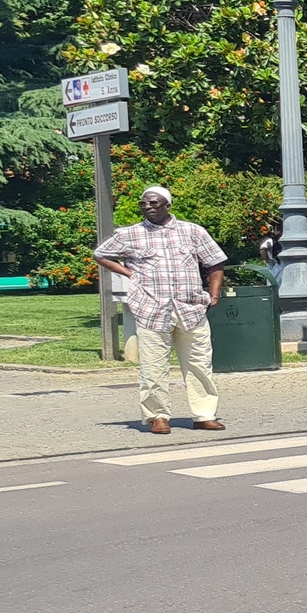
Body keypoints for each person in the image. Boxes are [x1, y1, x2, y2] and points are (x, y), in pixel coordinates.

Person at [94, 185, 228, 436]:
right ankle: (157, 416)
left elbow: (215, 262)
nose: (148, 207)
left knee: (199, 363)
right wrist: (128, 273)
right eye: (144, 204)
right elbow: (100, 254)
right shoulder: (130, 234)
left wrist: (215, 293)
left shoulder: (193, 231)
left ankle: (204, 415)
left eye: (153, 203)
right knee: (153, 366)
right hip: (150, 308)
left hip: (191, 307)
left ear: (167, 205)